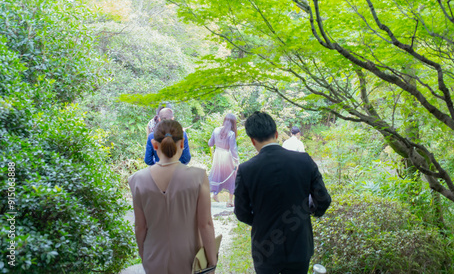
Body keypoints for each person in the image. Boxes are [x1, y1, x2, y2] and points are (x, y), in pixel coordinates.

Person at [234, 111, 331, 274]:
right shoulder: (304, 161)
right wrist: (308, 212)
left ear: (252, 140)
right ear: (277, 134)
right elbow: (324, 200)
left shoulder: (246, 170)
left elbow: (241, 212)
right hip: (299, 245)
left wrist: (261, 221)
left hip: (264, 247)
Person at [129, 120, 217, 273]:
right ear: (182, 143)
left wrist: (144, 256)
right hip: (190, 258)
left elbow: (140, 227)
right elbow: (206, 224)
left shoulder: (137, 180)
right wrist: (212, 262)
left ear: (154, 145)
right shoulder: (198, 176)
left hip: (153, 257)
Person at [208, 113, 239, 207]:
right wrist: (237, 161)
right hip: (226, 156)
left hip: (217, 155)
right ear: (233, 124)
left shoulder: (216, 130)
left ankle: (214, 194)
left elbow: (210, 143)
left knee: (216, 174)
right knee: (232, 176)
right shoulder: (231, 133)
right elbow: (233, 149)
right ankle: (230, 201)